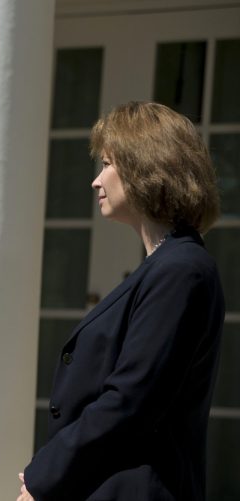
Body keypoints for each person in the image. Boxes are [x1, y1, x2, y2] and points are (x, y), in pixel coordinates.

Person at [18, 102, 224, 501]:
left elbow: (130, 400)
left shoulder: (180, 270)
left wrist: (43, 476)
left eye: (109, 163)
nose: (96, 181)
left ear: (147, 165)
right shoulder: (167, 265)